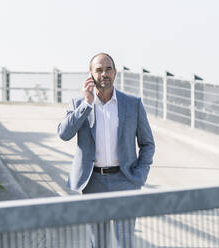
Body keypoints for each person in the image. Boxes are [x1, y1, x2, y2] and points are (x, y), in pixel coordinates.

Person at [57, 52, 155, 247]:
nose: (104, 74)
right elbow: (64, 133)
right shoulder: (79, 104)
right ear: (90, 75)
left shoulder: (132, 104)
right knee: (98, 243)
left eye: (108, 69)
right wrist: (87, 103)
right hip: (93, 182)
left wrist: (140, 174)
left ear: (115, 72)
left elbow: (147, 144)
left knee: (124, 242)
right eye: (99, 70)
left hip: (125, 180)